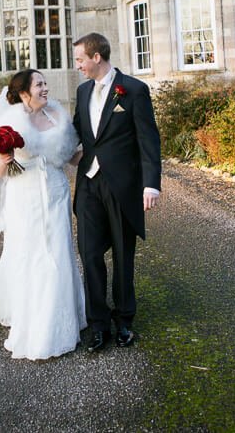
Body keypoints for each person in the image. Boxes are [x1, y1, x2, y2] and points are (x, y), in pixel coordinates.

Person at [0, 69, 86, 360]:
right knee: (31, 254)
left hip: (56, 191)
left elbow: (70, 155)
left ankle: (62, 318)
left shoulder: (57, 116)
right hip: (25, 195)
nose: (46, 88)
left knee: (58, 250)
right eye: (39, 85)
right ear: (24, 93)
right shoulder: (11, 121)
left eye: (45, 83)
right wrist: (6, 160)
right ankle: (35, 322)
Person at [71, 32, 161, 353]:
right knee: (90, 254)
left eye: (80, 59)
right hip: (88, 186)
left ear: (97, 57)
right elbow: (74, 134)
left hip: (123, 188)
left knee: (124, 255)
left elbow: (148, 140)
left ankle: (124, 320)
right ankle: (98, 325)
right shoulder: (82, 93)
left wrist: (151, 184)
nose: (77, 65)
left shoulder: (133, 90)